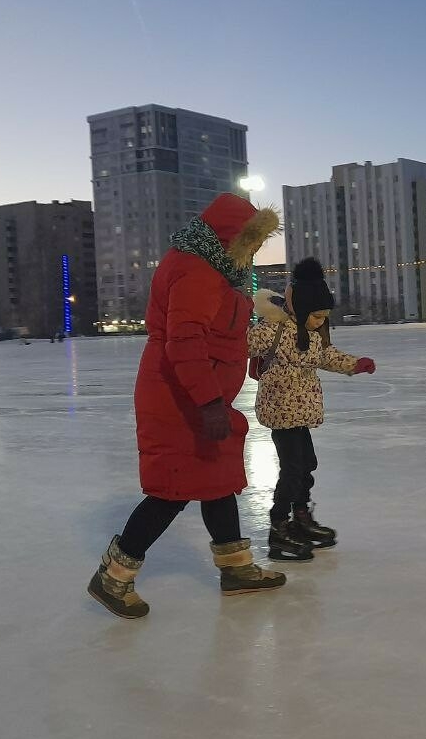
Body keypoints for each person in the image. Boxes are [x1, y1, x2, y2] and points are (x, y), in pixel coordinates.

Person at [87, 193, 283, 620]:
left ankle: (236, 570)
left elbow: (221, 332)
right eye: (251, 243)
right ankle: (113, 576)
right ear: (231, 238)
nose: (252, 253)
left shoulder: (211, 269)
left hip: (198, 395)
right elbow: (186, 342)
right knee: (170, 490)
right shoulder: (195, 271)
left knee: (217, 481)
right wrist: (210, 402)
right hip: (178, 399)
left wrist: (250, 358)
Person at [247, 258, 376, 562]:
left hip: (301, 412)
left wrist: (354, 364)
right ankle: (278, 528)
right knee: (291, 470)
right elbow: (244, 344)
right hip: (281, 413)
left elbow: (326, 356)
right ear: (302, 309)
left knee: (307, 465)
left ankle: (301, 517)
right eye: (316, 315)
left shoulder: (313, 335)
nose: (320, 321)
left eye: (324, 316)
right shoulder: (274, 329)